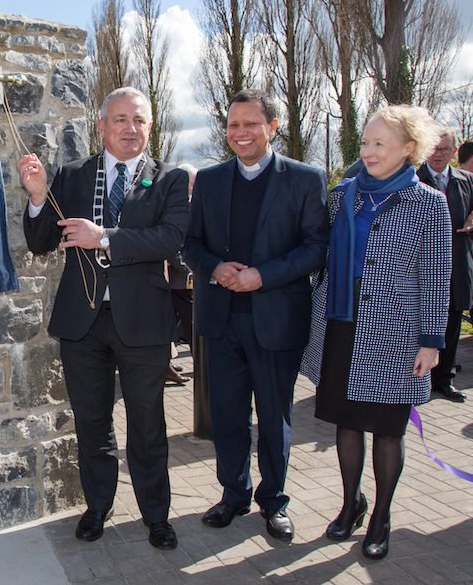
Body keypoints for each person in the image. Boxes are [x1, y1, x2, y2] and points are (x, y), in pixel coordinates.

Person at [17, 86, 189, 550]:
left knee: (148, 425)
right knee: (92, 423)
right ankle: (98, 507)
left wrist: (105, 237)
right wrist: (36, 197)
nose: (130, 129)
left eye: (140, 120)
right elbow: (40, 241)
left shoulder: (169, 179)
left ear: (150, 126)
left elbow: (171, 239)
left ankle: (156, 516)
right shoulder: (73, 175)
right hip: (82, 324)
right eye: (120, 120)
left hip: (144, 324)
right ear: (102, 125)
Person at [300, 105, 450, 560]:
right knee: (347, 422)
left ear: (409, 149)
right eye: (364, 142)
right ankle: (352, 505)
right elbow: (320, 258)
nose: (368, 151)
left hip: (396, 333)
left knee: (387, 430)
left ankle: (381, 515)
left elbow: (437, 276)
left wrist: (432, 340)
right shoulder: (343, 195)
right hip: (342, 325)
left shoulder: (428, 203)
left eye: (379, 143)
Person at [184, 89, 328, 541]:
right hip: (220, 318)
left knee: (273, 415)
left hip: (276, 318)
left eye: (250, 124)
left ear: (273, 126)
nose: (240, 133)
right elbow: (191, 245)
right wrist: (215, 268)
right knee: (227, 415)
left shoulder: (305, 179)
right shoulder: (209, 180)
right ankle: (233, 494)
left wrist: (262, 276)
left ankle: (275, 501)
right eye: (233, 125)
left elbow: (316, 248)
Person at [418, 128, 471, 402]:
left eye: (444, 150)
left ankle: (445, 380)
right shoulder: (415, 179)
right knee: (424, 327)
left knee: (451, 325)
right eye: (433, 149)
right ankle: (421, 381)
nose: (438, 154)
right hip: (424, 269)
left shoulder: (466, 181)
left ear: (454, 153)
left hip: (457, 266)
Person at [165, 163, 199, 385]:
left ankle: (167, 363)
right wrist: (187, 270)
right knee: (191, 323)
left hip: (178, 278)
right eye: (194, 182)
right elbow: (174, 244)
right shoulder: (178, 206)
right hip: (180, 280)